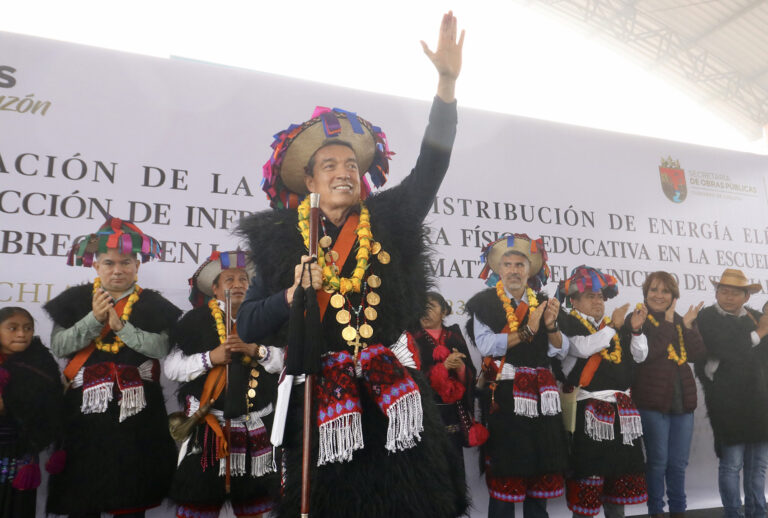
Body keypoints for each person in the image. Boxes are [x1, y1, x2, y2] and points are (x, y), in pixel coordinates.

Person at [236, 12, 467, 518]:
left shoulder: (389, 219)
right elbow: (248, 322)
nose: (343, 172)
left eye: (351, 165)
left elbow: (432, 166)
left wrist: (445, 88)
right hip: (320, 399)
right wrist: (293, 295)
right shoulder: (279, 242)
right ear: (310, 182)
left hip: (394, 395)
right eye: (329, 166)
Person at [43, 216, 181, 518]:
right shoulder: (75, 300)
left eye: (126, 263)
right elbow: (60, 346)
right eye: (109, 263)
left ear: (137, 265)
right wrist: (93, 319)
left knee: (132, 495)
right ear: (95, 266)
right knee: (82, 495)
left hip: (138, 415)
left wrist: (122, 328)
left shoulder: (154, 305)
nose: (118, 270)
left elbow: (160, 349)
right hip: (84, 413)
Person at [164, 250, 282, 517]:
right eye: (229, 279)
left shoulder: (268, 317)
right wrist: (210, 358)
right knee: (198, 505)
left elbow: (288, 362)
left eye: (244, 278)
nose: (238, 284)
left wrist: (258, 351)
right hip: (209, 429)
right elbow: (172, 368)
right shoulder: (194, 321)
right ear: (215, 288)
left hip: (257, 426)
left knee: (255, 506)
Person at [465, 234, 569, 518]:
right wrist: (526, 331)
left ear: (529, 270)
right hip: (506, 397)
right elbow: (486, 345)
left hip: (543, 399)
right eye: (507, 264)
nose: (513, 269)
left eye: (519, 265)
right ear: (499, 270)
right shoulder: (484, 303)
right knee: (507, 470)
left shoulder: (545, 303)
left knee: (541, 466)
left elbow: (560, 351)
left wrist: (550, 326)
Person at [555, 266, 649, 518]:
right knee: (588, 486)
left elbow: (640, 356)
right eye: (590, 296)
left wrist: (636, 330)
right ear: (573, 300)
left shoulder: (614, 327)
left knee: (616, 483)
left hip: (621, 414)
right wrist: (615, 326)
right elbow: (583, 348)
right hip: (588, 414)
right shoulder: (565, 323)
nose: (598, 301)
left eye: (600, 296)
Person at [632, 271, 706, 518]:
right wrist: (668, 320)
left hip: (682, 403)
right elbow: (650, 353)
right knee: (657, 462)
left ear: (673, 295)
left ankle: (678, 512)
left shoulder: (679, 320)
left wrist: (687, 325)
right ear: (646, 293)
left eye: (665, 291)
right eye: (654, 290)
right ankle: (656, 512)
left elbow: (695, 354)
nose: (659, 295)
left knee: (678, 465)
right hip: (652, 403)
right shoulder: (639, 319)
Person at [695, 268, 768, 518]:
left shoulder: (757, 317)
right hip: (727, 404)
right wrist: (758, 334)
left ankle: (758, 512)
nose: (728, 297)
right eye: (723, 291)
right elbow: (724, 349)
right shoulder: (706, 318)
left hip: (759, 404)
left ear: (746, 296)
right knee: (732, 464)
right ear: (716, 293)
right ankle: (733, 514)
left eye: (735, 293)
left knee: (758, 466)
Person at [406, 291, 488, 481]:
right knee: (427, 474)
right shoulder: (411, 338)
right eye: (421, 307)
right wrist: (442, 368)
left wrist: (459, 368)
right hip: (425, 415)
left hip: (453, 415)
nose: (425, 312)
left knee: (454, 470)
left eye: (431, 306)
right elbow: (410, 377)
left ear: (444, 311)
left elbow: (470, 372)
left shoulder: (454, 337)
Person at [0, 307, 64, 518]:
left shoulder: (40, 362)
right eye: (13, 328)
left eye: (28, 328)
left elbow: (50, 405)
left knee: (17, 507)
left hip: (19, 450)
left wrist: (8, 402)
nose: (22, 334)